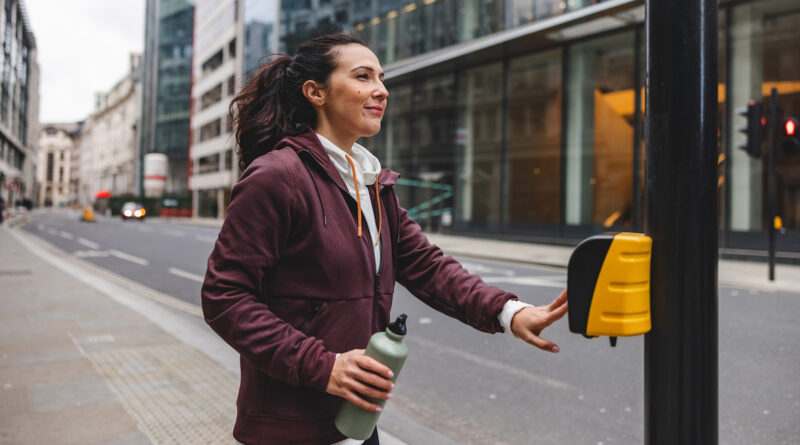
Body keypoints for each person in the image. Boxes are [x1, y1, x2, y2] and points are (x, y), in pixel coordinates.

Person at [201, 34, 568, 445]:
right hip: (290, 427)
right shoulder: (277, 176)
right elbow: (225, 296)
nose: (381, 90)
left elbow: (428, 267)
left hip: (355, 421)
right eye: (363, 76)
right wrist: (322, 367)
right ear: (315, 92)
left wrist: (509, 312)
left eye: (381, 77)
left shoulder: (372, 184)